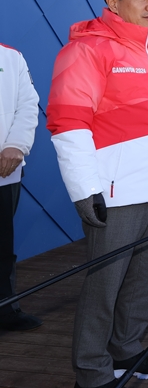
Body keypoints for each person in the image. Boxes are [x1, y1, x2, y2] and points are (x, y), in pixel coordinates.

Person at [47, 0, 148, 388]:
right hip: (116, 191)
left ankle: (126, 351)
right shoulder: (87, 49)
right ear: (113, 3)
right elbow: (68, 123)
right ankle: (91, 371)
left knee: (143, 281)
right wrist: (84, 188)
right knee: (104, 286)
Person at [0, 44, 42, 332]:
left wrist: (16, 145)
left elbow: (27, 105)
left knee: (2, 244)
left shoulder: (10, 56)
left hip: (5, 169)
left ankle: (5, 308)